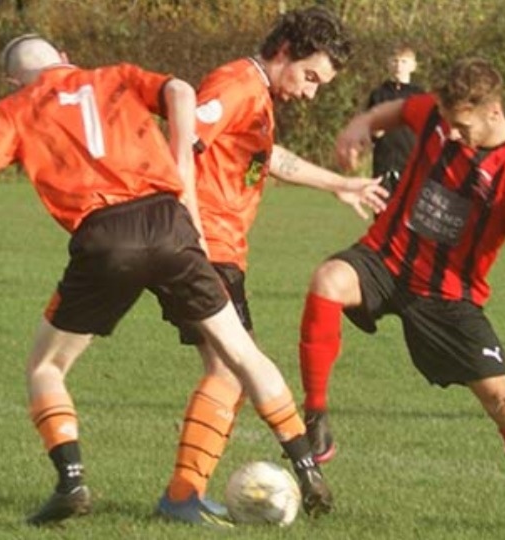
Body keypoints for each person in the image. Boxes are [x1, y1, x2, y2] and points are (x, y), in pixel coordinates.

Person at [0, 34, 332, 528]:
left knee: (46, 366)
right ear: (65, 59)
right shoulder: (115, 76)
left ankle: (72, 482)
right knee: (241, 354)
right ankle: (304, 466)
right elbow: (181, 93)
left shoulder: (14, 107)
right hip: (172, 224)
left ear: (11, 80)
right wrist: (178, 167)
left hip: (106, 237)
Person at [296, 57, 505, 538]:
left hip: (448, 298)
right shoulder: (434, 112)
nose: (450, 133)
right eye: (446, 123)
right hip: (385, 259)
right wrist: (358, 127)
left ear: (493, 111)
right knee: (328, 280)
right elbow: (390, 113)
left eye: (461, 125)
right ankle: (316, 416)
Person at [157, 5, 387, 526]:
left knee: (232, 373)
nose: (310, 92)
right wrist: (190, 227)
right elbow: (180, 142)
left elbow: (268, 158)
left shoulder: (255, 95)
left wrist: (340, 183)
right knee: (232, 371)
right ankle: (181, 498)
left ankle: (184, 496)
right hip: (205, 248)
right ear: (284, 50)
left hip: (221, 251)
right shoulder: (236, 85)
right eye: (309, 76)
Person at [365, 45, 424, 192]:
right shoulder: (379, 94)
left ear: (413, 66)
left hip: (410, 159)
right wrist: (374, 132)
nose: (399, 66)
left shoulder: (419, 95)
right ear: (388, 64)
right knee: (381, 205)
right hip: (384, 159)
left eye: (404, 62)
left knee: (408, 208)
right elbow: (369, 126)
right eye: (395, 61)